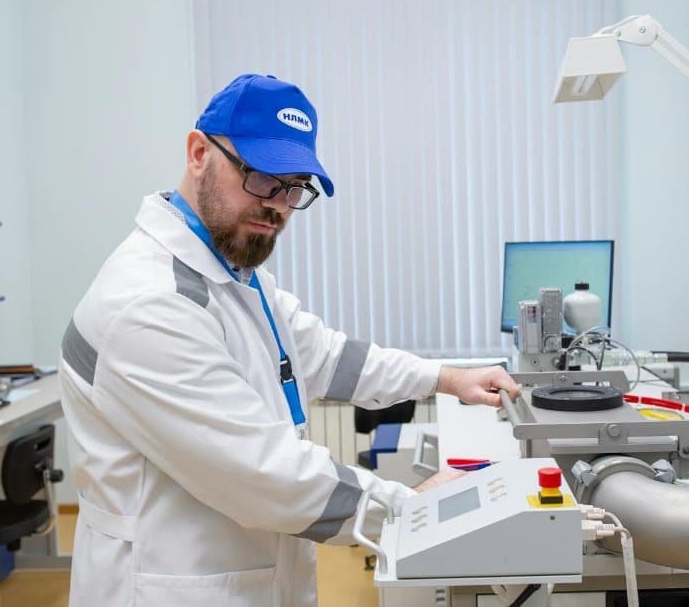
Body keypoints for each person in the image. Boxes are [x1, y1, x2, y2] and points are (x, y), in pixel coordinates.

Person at [59, 73, 520, 607]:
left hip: (244, 573)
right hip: (173, 585)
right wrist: (408, 511)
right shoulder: (150, 303)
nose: (278, 204)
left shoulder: (232, 276)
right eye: (261, 178)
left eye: (294, 186)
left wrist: (447, 378)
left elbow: (329, 358)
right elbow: (264, 475)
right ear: (197, 153)